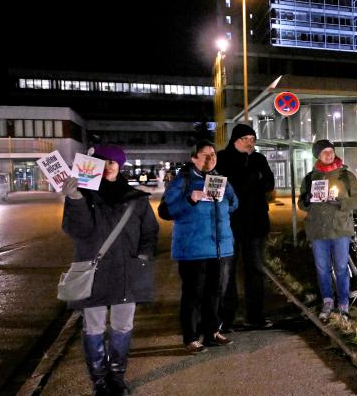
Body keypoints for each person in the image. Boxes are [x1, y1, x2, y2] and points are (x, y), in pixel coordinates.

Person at [61, 144, 158, 396]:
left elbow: (150, 231)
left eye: (112, 162)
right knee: (93, 328)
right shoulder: (84, 195)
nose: (107, 167)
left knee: (122, 326)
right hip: (92, 272)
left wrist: (143, 256)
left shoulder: (135, 198)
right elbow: (77, 231)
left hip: (128, 271)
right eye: (102, 162)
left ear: (120, 166)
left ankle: (117, 376)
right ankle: (99, 381)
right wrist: (75, 199)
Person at [163, 141, 239, 353]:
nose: (210, 158)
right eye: (204, 155)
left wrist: (225, 200)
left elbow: (234, 203)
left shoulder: (220, 180)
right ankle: (191, 337)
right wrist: (190, 199)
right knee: (193, 294)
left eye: (213, 154)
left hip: (219, 247)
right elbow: (166, 211)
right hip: (193, 249)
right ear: (193, 158)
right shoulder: (183, 180)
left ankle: (212, 332)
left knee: (215, 292)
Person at [217, 124, 276, 330]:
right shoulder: (222, 158)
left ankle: (256, 316)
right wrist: (251, 181)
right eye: (247, 138)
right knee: (227, 273)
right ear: (236, 139)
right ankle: (226, 318)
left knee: (256, 271)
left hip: (256, 223)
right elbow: (222, 188)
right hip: (230, 224)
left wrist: (248, 183)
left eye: (253, 138)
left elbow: (269, 184)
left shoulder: (259, 159)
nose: (251, 142)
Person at [298, 139, 357, 321]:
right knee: (322, 269)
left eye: (331, 151)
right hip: (318, 230)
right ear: (317, 156)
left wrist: (341, 203)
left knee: (341, 267)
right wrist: (306, 200)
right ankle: (327, 301)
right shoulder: (310, 178)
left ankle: (343, 304)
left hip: (340, 229)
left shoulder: (346, 176)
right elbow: (301, 205)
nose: (329, 154)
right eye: (324, 152)